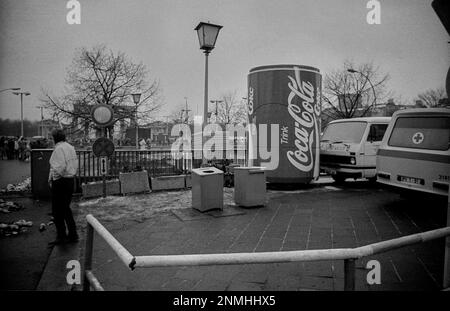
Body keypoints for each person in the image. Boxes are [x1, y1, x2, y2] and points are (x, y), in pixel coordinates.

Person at [48, 129, 79, 245]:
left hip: (61, 181)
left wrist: (54, 179)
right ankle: (73, 235)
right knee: (66, 209)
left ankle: (61, 236)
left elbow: (59, 167)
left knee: (57, 211)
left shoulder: (58, 149)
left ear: (55, 138)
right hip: (70, 180)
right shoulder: (70, 147)